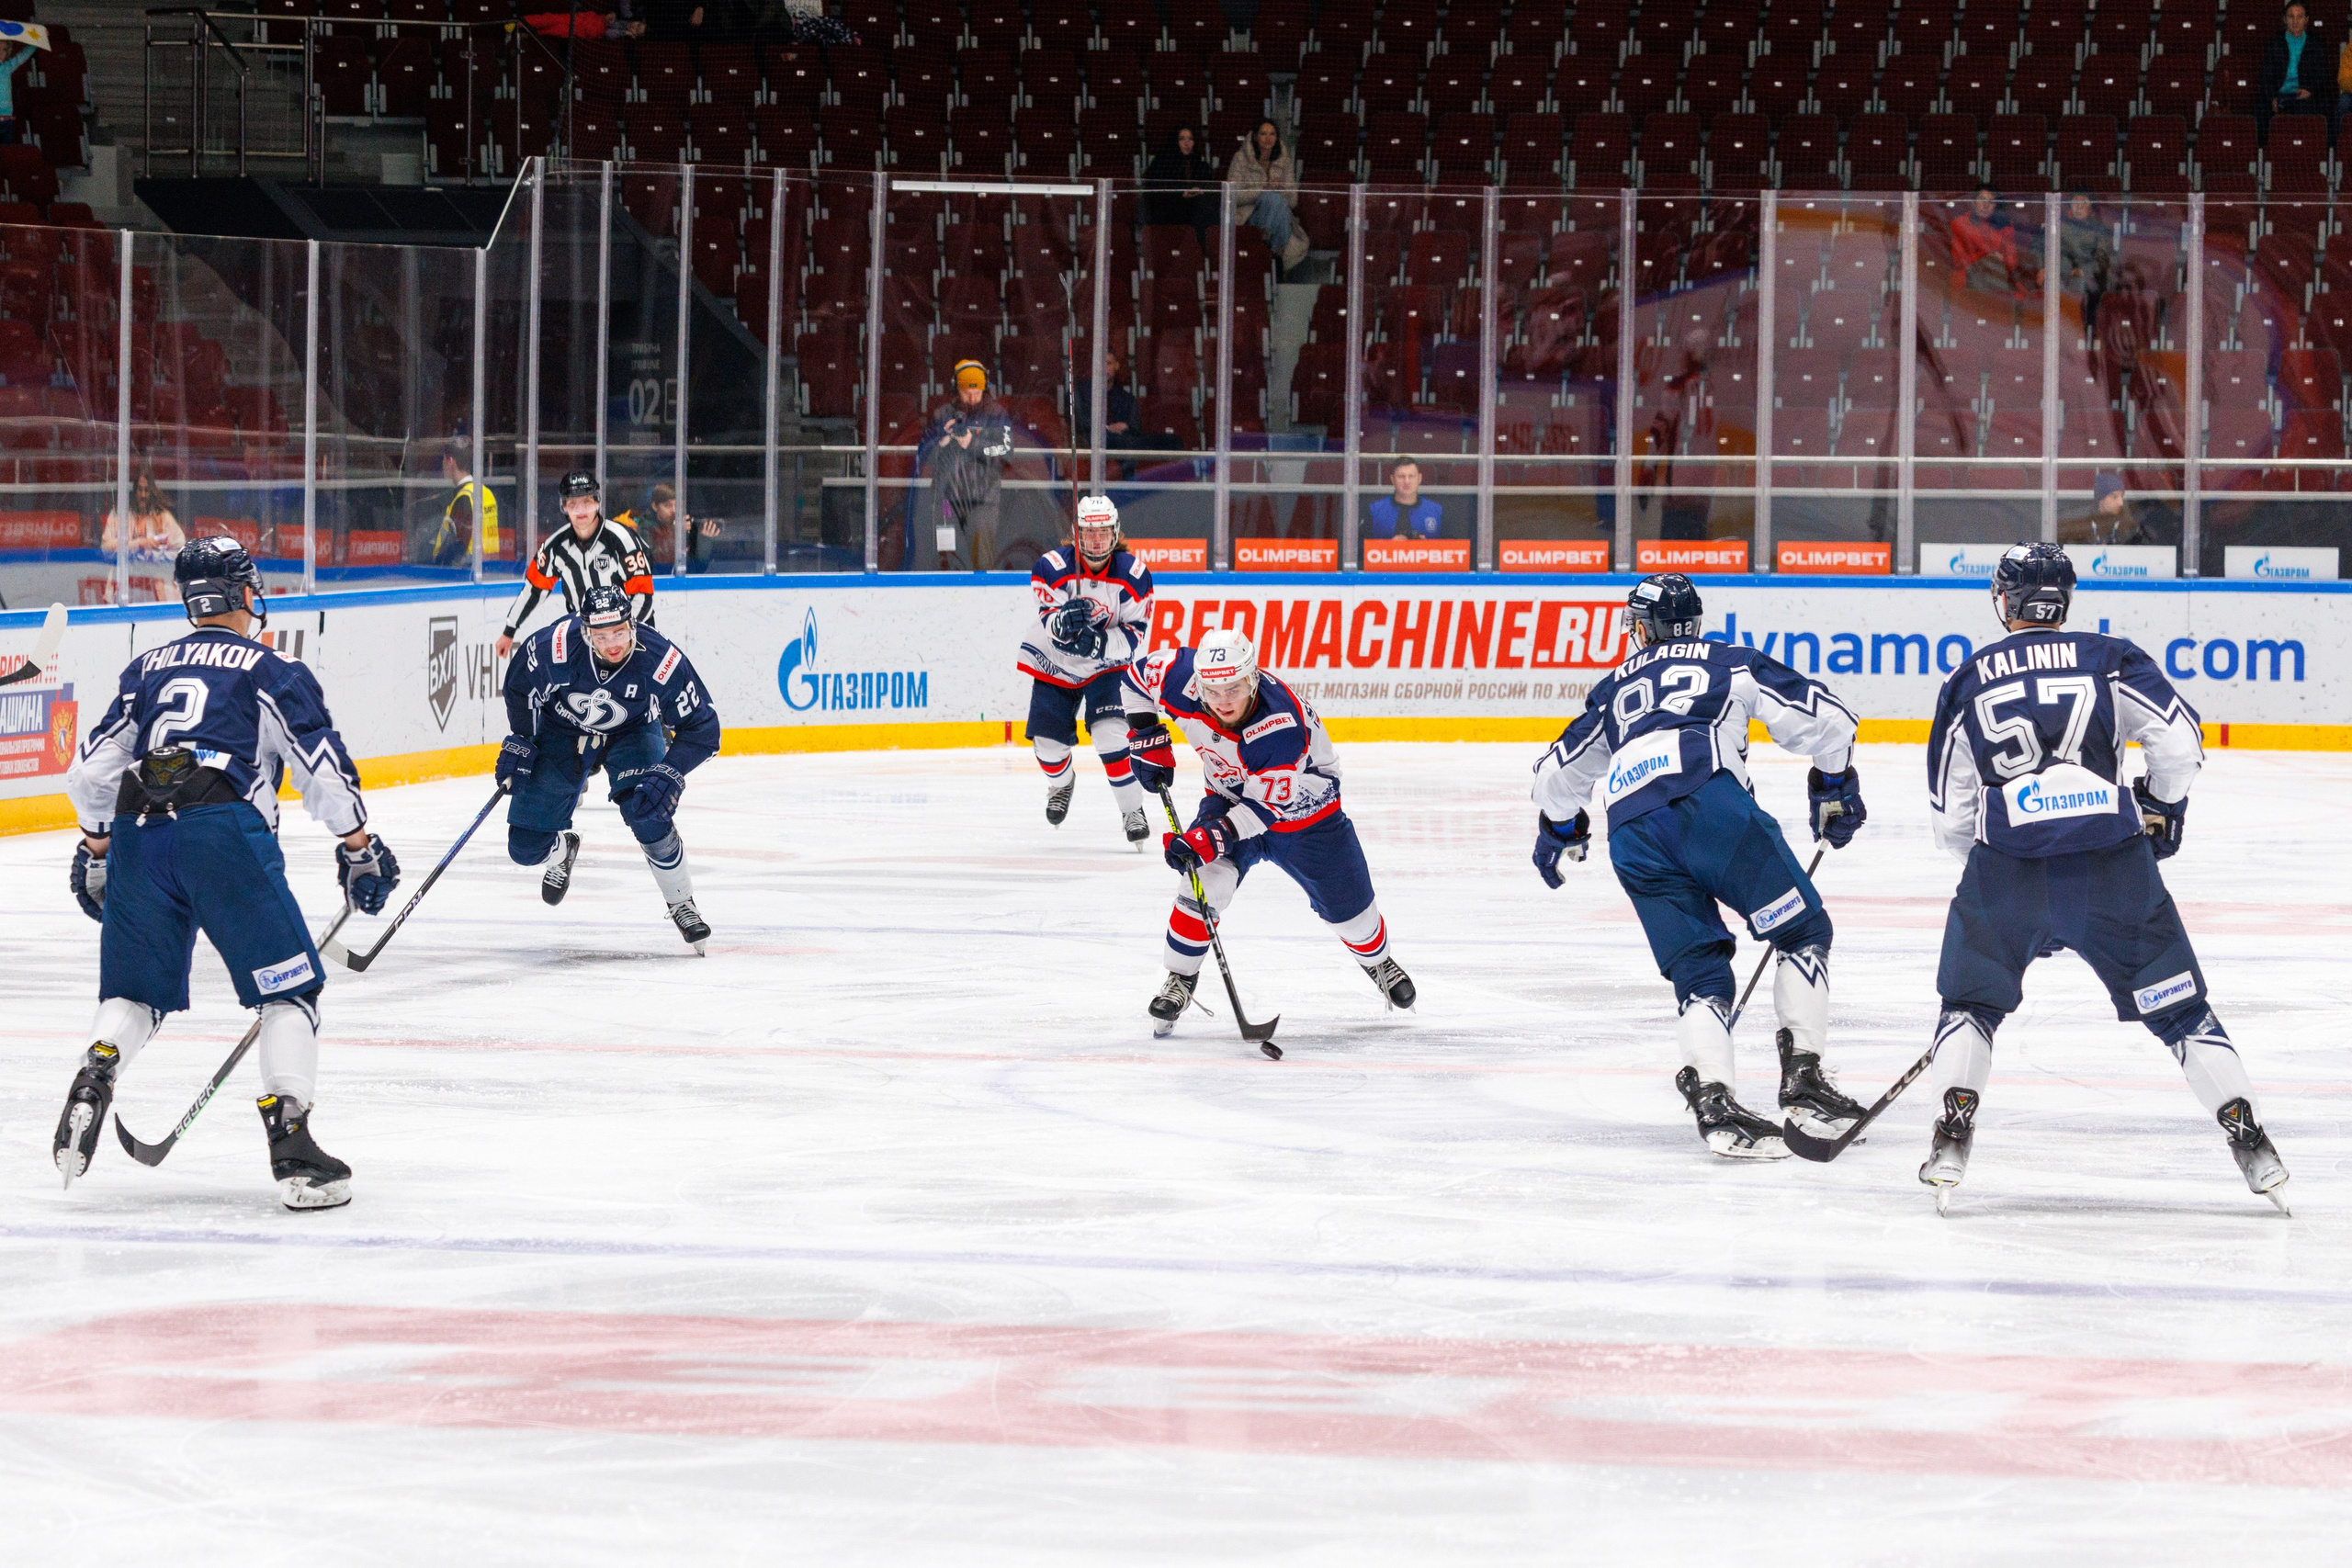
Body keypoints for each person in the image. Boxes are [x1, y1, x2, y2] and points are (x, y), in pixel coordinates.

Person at [1917, 543, 2289, 1213]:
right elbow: (2180, 744)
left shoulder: (1967, 678)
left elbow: (1951, 821)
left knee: (1969, 1006)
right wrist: (2163, 805)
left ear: (2005, 600)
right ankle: (2252, 1141)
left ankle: (1952, 1132)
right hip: (2113, 861)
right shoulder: (2110, 656)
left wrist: (2019, 877)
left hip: (2008, 868)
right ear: (2065, 598)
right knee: (2182, 1011)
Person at [57, 536, 401, 1209]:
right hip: (222, 830)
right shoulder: (271, 667)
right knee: (289, 990)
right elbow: (321, 768)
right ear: (244, 593)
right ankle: (295, 1147)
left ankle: (97, 1069)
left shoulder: (148, 668)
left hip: (138, 831)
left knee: (136, 992)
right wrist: (361, 845)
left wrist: (99, 851)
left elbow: (90, 773)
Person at [1529, 573, 1869, 1159]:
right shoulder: (1727, 662)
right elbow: (1829, 719)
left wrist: (1560, 830)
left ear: (1643, 628)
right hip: (1710, 807)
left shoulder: (1612, 690)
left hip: (1632, 834)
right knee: (1803, 931)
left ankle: (1713, 1099)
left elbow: (1554, 778)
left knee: (1702, 975)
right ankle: (1803, 1079)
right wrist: (1832, 784)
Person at [1124, 628, 1415, 1034]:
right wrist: (1144, 735)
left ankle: (1376, 959)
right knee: (1205, 881)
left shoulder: (1280, 725)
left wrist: (1209, 838)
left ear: (1253, 678)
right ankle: (1180, 978)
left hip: (1307, 816)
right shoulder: (1180, 675)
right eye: (1213, 689)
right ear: (1198, 682)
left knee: (1354, 918)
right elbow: (1135, 678)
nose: (1223, 699)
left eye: (1235, 687)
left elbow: (1265, 810)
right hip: (1229, 797)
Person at [497, 584, 720, 952]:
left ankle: (682, 902)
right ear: (586, 632)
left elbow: (704, 729)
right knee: (524, 848)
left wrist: (670, 771)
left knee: (648, 812)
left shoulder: (660, 660)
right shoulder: (556, 645)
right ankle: (562, 850)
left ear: (632, 624)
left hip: (633, 731)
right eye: (601, 636)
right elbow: (519, 686)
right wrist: (522, 736)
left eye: (619, 632)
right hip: (563, 728)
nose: (613, 643)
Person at [1020, 494, 1157, 846]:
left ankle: (1131, 810)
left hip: (1106, 666)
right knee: (1049, 746)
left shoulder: (1134, 575)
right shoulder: (1050, 567)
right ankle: (1061, 784)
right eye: (1089, 532)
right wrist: (1063, 622)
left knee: (1110, 734)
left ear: (1115, 533)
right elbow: (1048, 620)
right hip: (1056, 663)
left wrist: (1098, 644)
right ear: (1076, 533)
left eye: (1103, 532)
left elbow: (1133, 636)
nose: (1096, 540)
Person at [498, 469, 655, 658]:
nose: (580, 510)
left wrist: (621, 634)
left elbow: (643, 596)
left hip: (631, 637)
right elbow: (534, 590)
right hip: (586, 638)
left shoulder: (622, 540)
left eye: (587, 502)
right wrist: (509, 630)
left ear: (597, 502)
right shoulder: (555, 547)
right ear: (563, 507)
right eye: (573, 504)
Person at [918, 360, 1014, 570]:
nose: (972, 398)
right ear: (956, 389)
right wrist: (940, 441)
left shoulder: (997, 415)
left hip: (984, 501)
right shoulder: (942, 414)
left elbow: (1007, 453)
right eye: (966, 392)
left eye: (977, 392)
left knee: (981, 560)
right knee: (946, 556)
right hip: (946, 499)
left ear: (985, 388)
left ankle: (983, 598)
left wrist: (972, 443)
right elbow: (922, 454)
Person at [1228, 118, 1311, 273]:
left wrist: (1275, 192)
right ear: (1255, 137)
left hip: (1279, 217)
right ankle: (1275, 257)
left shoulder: (1284, 161)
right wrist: (1263, 189)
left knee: (1276, 201)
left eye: (1272, 134)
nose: (1268, 138)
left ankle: (1269, 250)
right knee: (1272, 198)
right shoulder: (1240, 160)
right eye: (1263, 133)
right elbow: (1233, 195)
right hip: (1249, 217)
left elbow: (1293, 200)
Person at [1949, 185, 2041, 298]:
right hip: (1968, 277)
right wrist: (1988, 255)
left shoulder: (2003, 226)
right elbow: (1958, 260)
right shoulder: (1959, 224)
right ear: (1973, 202)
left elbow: (2013, 262)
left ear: (1995, 206)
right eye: (1982, 199)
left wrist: (2002, 259)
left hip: (2000, 276)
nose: (1986, 205)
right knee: (1990, 262)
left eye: (1991, 201)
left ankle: (1996, 305)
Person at [614, 482, 724, 575]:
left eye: (677, 505)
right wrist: (673, 532)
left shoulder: (684, 525)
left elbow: (698, 569)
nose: (674, 510)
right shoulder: (645, 526)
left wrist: (704, 540)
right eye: (668, 506)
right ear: (655, 506)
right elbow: (653, 563)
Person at [2261, 2, 2328, 141]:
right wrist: (2272, 97)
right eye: (2291, 17)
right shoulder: (2275, 44)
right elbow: (2266, 77)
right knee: (2261, 112)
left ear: (2306, 20)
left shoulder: (2316, 44)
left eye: (2300, 17)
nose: (2295, 21)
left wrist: (2309, 90)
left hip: (2303, 94)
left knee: (2308, 110)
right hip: (2280, 94)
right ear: (2284, 19)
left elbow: (2321, 75)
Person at [1142, 124, 1220, 243]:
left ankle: (1206, 247)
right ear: (1175, 141)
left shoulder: (1200, 165)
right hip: (1170, 207)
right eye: (1182, 139)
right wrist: (1180, 194)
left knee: (1206, 205)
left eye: (1190, 139)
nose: (1187, 143)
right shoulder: (1161, 163)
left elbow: (1208, 187)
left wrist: (1197, 190)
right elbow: (1155, 192)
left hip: (1195, 206)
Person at [429, 442, 502, 567]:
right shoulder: (486, 492)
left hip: (466, 571)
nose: (442, 463)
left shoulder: (464, 498)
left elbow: (459, 545)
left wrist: (439, 565)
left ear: (451, 461)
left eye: (444, 459)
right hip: (490, 569)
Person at [2056, 191, 2112, 333]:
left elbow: (2102, 259)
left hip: (2091, 278)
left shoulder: (2100, 229)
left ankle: (2080, 331)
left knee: (2080, 284)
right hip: (2064, 273)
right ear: (2070, 206)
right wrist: (2069, 269)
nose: (2079, 207)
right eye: (2076, 203)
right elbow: (2057, 252)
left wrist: (2083, 271)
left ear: (2090, 207)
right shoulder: (2061, 227)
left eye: (2084, 203)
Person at [100, 470, 187, 559]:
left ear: (152, 492)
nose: (143, 495)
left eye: (147, 490)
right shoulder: (119, 515)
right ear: (134, 491)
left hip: (154, 572)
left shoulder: (163, 517)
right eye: (140, 489)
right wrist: (137, 544)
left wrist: (156, 555)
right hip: (125, 572)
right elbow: (105, 548)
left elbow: (180, 548)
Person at [2057, 471, 2148, 546]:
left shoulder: (2129, 526)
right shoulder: (2079, 524)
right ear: (2101, 499)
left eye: (2122, 496)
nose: (2121, 503)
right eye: (2114, 497)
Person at [1366, 457, 1443, 540]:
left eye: (1411, 476)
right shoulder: (1374, 510)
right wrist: (1389, 547)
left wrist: (1426, 547)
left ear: (1419, 478)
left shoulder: (1437, 511)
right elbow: (1360, 549)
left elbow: (1451, 549)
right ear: (1392, 480)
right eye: (1401, 476)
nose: (1407, 481)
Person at [0, 41, 31, 148]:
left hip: (7, 121)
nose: (0, 52)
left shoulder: (8, 67)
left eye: (4, 50)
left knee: (6, 154)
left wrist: (38, 39)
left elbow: (23, 55)